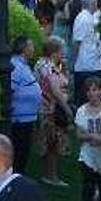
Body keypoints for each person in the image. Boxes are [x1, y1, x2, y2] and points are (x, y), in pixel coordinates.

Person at [35, 36, 74, 187]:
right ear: (54, 51)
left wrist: (64, 68)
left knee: (49, 142)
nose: (63, 53)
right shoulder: (46, 66)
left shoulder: (53, 64)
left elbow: (65, 83)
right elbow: (55, 90)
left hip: (50, 108)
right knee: (52, 143)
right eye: (61, 50)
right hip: (50, 110)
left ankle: (48, 174)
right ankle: (52, 177)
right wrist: (67, 109)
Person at [76, 77, 101, 201]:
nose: (92, 93)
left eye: (95, 89)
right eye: (89, 90)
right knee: (87, 190)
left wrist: (97, 137)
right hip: (87, 156)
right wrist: (95, 137)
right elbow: (79, 134)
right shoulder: (81, 110)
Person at [10, 36, 42, 175]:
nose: (33, 49)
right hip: (19, 120)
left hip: (27, 118)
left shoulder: (23, 65)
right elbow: (11, 89)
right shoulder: (16, 66)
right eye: (31, 46)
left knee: (23, 152)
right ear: (24, 48)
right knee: (19, 152)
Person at [72, 0, 101, 107]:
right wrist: (79, 58)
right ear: (93, 3)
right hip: (85, 65)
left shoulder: (90, 16)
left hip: (93, 63)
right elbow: (77, 42)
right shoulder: (82, 18)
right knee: (84, 99)